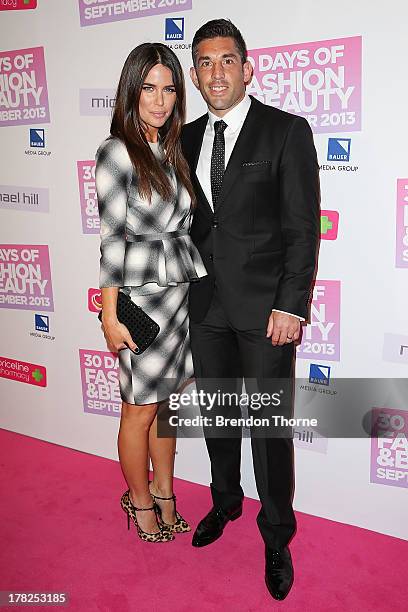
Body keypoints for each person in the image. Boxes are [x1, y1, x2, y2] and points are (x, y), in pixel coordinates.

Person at [181, 20, 320, 599]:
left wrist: (292, 304)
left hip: (267, 314)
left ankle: (277, 536)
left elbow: (302, 229)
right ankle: (225, 502)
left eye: (226, 61)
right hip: (205, 304)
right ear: (195, 74)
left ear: (247, 66)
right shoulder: (182, 139)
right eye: (205, 63)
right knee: (218, 418)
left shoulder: (286, 132)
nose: (216, 72)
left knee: (267, 430)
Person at [95, 43, 207, 543]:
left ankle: (165, 492)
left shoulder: (172, 148)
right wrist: (110, 314)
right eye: (149, 88)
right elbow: (112, 239)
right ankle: (138, 500)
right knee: (138, 409)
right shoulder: (116, 151)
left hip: (178, 293)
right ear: (131, 91)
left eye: (168, 89)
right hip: (140, 299)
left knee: (167, 406)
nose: (160, 100)